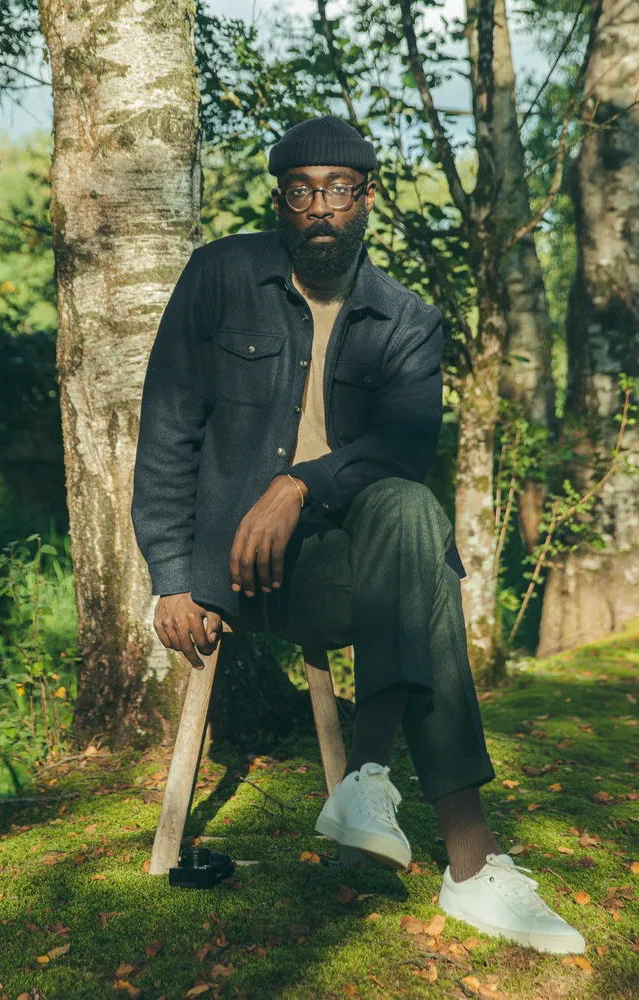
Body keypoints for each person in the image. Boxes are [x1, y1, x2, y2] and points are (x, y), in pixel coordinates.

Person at [130, 115, 585, 954]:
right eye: (302, 191)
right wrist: (168, 573)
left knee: (412, 514)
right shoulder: (221, 276)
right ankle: (448, 846)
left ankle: (396, 806)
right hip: (227, 572)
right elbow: (167, 427)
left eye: (339, 190)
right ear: (282, 201)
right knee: (428, 577)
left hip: (343, 576)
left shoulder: (406, 319)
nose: (321, 209)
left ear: (366, 199)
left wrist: (300, 484)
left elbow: (405, 448)